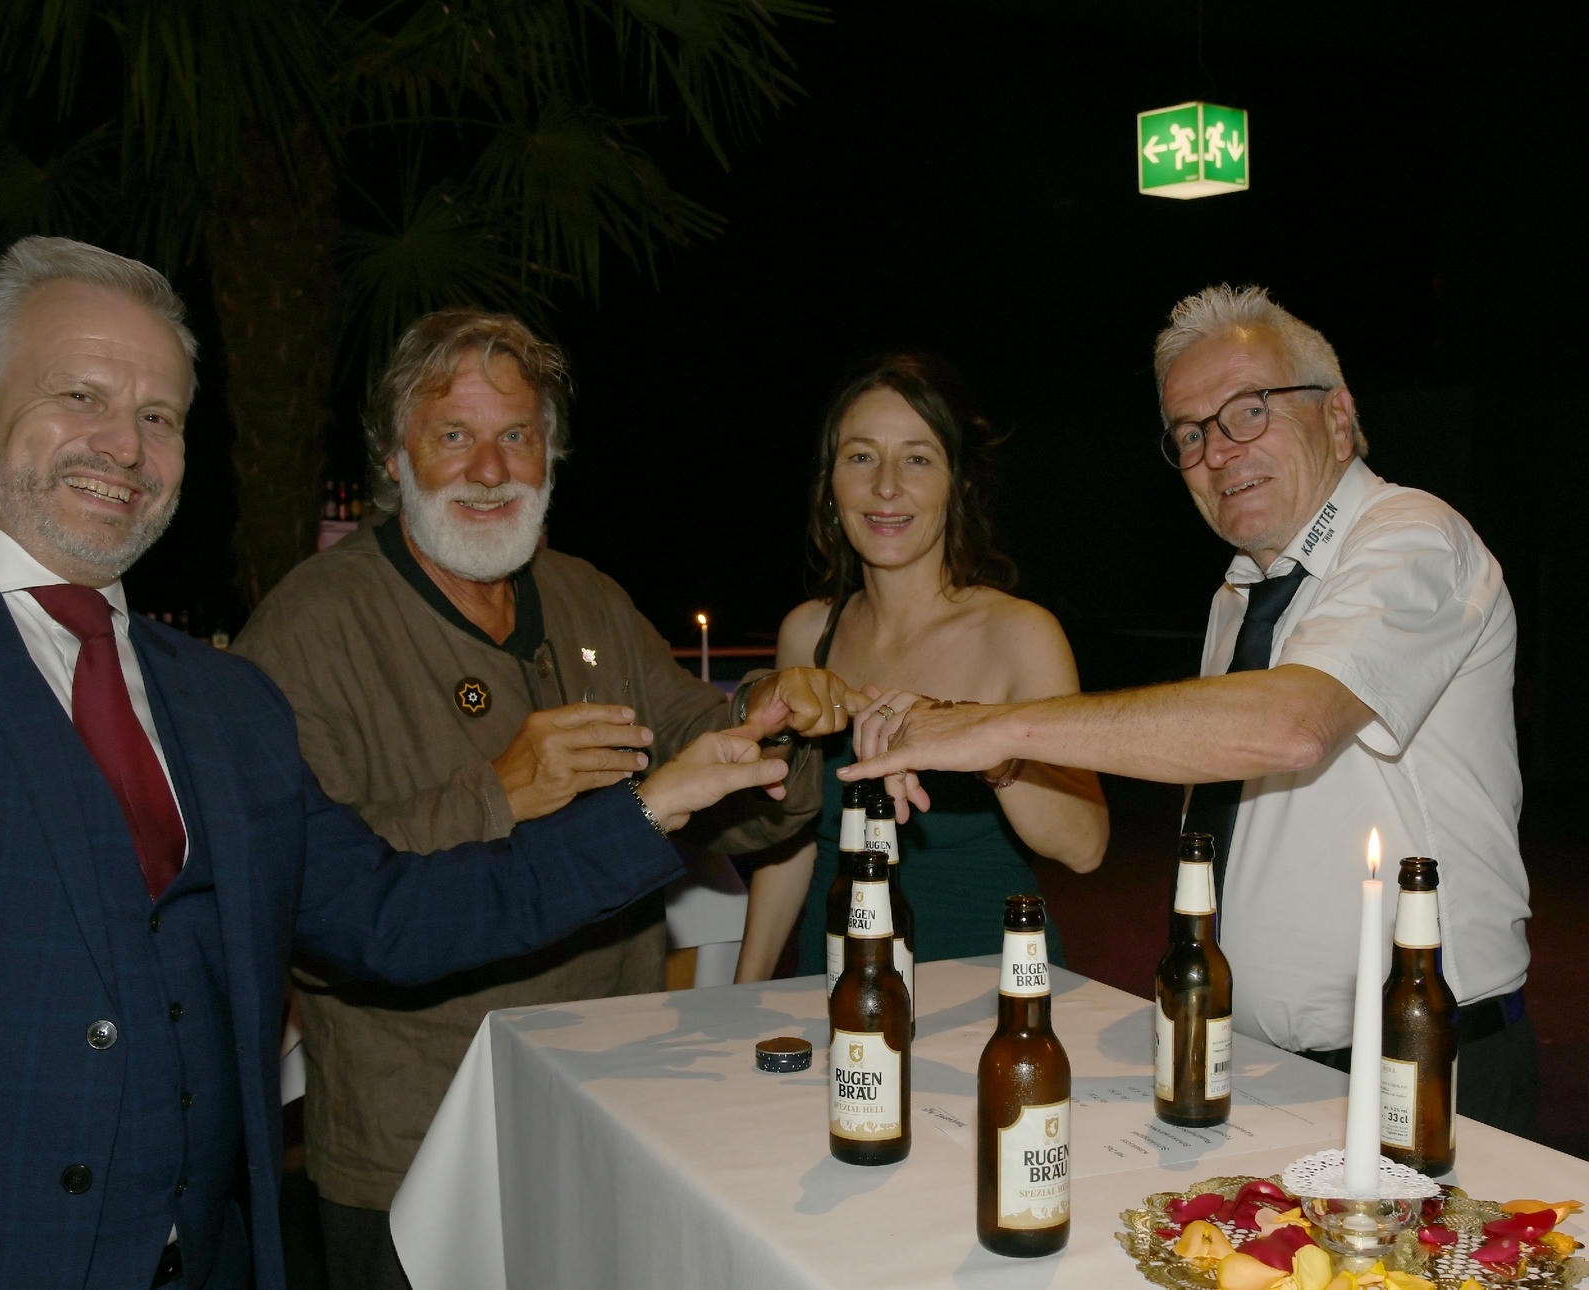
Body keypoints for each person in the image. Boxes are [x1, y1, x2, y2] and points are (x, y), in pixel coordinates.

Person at [0, 238, 794, 1290]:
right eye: (81, 396)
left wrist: (653, 806)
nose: (125, 444)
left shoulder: (224, 705)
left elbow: (392, 919)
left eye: (159, 415)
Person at [233, 308, 853, 1289]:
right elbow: (313, 901)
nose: (490, 469)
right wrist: (496, 793)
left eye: (516, 435)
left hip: (617, 1111)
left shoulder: (585, 596)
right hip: (422, 1149)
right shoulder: (307, 630)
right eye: (454, 435)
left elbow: (712, 754)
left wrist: (771, 721)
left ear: (551, 456)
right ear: (392, 457)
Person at [845, 286, 1535, 1134]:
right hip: (1262, 1067)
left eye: (1249, 410)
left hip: (1423, 1070)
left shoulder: (1415, 537)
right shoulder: (1239, 599)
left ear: (1338, 415)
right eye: (1191, 433)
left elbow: (1290, 726)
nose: (1218, 451)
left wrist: (998, 724)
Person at [732, 355, 1107, 983]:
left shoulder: (1019, 635)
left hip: (989, 990)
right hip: (836, 979)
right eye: (861, 456)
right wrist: (742, 993)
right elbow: (790, 840)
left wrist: (987, 747)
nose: (886, 486)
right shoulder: (807, 634)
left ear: (958, 484)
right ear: (830, 485)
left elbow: (1084, 845)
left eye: (917, 459)